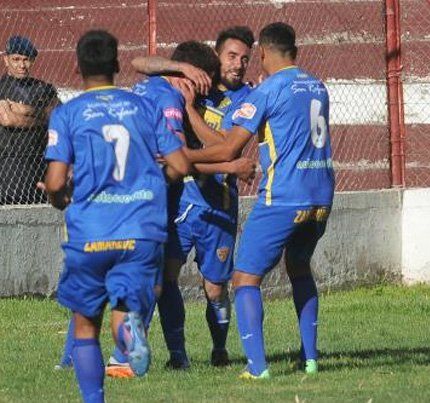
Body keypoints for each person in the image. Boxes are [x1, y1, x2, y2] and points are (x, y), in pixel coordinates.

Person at [43, 30, 190, 402]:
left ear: (77, 68)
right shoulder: (144, 106)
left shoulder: (68, 114)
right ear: (118, 64)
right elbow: (180, 164)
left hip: (92, 231)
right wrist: (154, 180)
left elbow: (56, 181)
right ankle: (128, 331)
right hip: (141, 230)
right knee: (126, 303)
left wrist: (60, 198)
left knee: (85, 325)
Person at [183, 22, 335, 379]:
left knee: (244, 279)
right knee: (299, 268)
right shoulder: (317, 85)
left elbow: (228, 148)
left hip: (282, 197)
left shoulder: (267, 90)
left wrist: (181, 156)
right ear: (294, 51)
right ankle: (310, 359)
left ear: (263, 53)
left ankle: (257, 368)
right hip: (321, 196)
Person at [129, 27, 255, 369]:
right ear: (216, 57)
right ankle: (177, 354)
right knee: (166, 277)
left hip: (219, 204)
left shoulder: (247, 99)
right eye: (231, 56)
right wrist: (181, 67)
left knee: (215, 287)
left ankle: (219, 349)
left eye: (245, 58)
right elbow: (139, 62)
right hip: (182, 201)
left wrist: (189, 115)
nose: (238, 64)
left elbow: (225, 146)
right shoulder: (195, 83)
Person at [0, 35, 59, 204]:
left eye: (26, 60)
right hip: (10, 162)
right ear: (6, 60)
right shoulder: (1, 87)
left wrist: (24, 110)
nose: (21, 65)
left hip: (39, 161)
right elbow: (8, 119)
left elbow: (57, 117)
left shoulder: (44, 88)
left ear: (32, 61)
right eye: (16, 59)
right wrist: (42, 118)